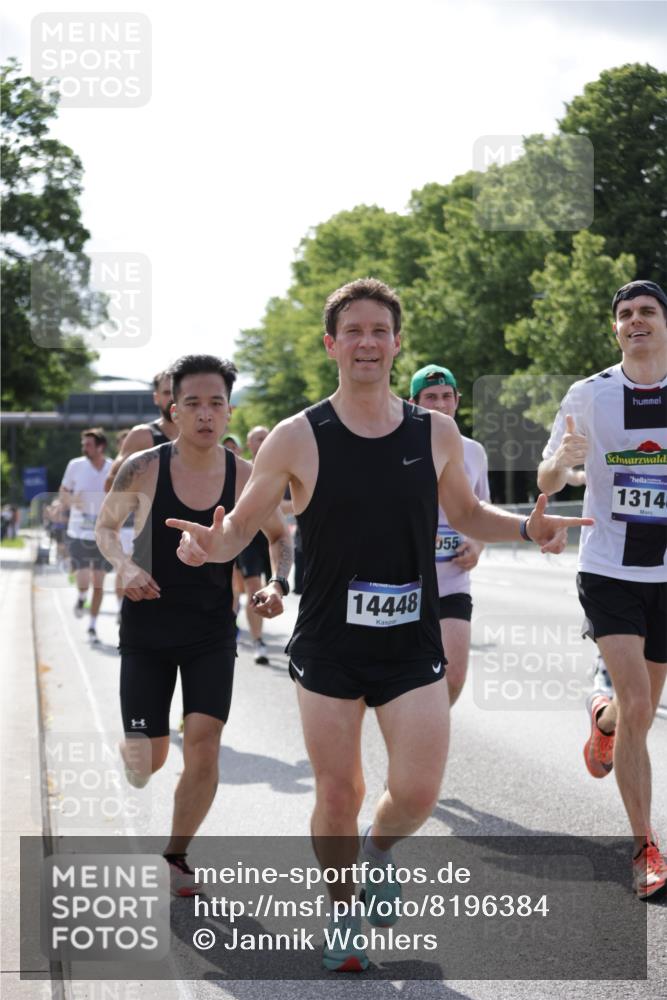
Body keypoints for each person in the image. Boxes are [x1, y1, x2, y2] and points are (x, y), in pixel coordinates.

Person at [167, 278, 590, 969]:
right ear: (332, 344)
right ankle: (340, 913)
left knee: (417, 793)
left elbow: (466, 515)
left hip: (410, 637)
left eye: (379, 331)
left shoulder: (436, 431)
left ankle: (380, 849)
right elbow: (240, 526)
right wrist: (207, 545)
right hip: (329, 644)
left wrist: (524, 526)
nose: (367, 342)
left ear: (395, 344)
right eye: (353, 331)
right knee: (339, 791)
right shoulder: (295, 438)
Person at [96, 354, 292, 896]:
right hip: (147, 628)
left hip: (210, 630)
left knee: (204, 743)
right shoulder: (145, 467)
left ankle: (177, 854)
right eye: (192, 404)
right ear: (173, 410)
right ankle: (136, 748)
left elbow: (280, 535)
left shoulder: (247, 476)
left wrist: (277, 584)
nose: (205, 414)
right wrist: (126, 565)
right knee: (147, 761)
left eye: (216, 403)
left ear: (229, 411)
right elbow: (106, 529)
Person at [538, 279, 667, 900]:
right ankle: (644, 846)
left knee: (635, 710)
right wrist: (561, 461)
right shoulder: (590, 394)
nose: (635, 321)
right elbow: (547, 474)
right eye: (624, 315)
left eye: (646, 312)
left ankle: (604, 720)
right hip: (611, 567)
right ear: (615, 329)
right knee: (641, 703)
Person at [409, 364, 490, 704]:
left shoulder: (473, 451)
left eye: (446, 396)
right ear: (413, 403)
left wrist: (477, 545)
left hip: (453, 581)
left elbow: (482, 510)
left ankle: (426, 743)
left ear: (457, 400)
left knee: (453, 676)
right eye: (430, 397)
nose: (440, 405)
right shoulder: (397, 446)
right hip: (404, 584)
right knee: (405, 681)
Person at [59, 428, 113, 643]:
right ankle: (82, 597)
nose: (84, 448)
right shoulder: (75, 465)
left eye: (88, 444)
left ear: (100, 447)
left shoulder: (112, 467)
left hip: (103, 532)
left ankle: (92, 626)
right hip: (79, 530)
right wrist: (73, 502)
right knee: (84, 580)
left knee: (99, 583)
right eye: (83, 444)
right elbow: (63, 492)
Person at [236, 426, 273, 664]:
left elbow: (294, 506)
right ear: (250, 444)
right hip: (248, 538)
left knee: (272, 588)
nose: (264, 441)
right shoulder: (243, 471)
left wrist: (275, 510)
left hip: (273, 538)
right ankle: (258, 640)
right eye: (259, 438)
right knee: (253, 588)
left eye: (267, 437)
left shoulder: (282, 468)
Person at [104, 370, 178, 491]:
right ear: (156, 398)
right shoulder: (142, 435)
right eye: (166, 393)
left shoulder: (198, 434)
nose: (172, 398)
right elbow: (110, 483)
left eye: (176, 392)